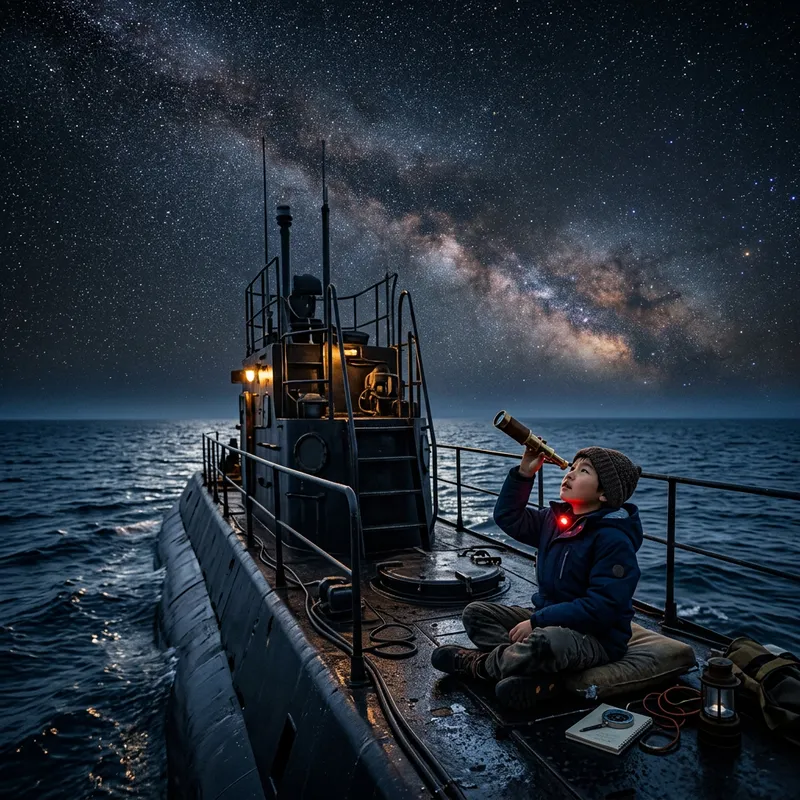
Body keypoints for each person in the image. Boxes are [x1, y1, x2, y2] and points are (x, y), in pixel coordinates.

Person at [431, 444, 643, 709]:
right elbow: (508, 517)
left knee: (548, 641)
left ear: (603, 494)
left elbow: (601, 609)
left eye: (584, 471)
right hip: (547, 620)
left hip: (596, 638)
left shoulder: (614, 541)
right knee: (476, 614)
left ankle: (481, 665)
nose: (571, 474)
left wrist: (537, 621)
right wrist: (524, 473)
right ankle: (524, 668)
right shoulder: (554, 522)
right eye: (573, 467)